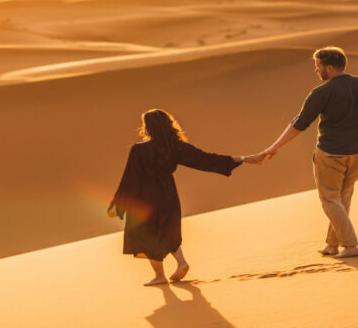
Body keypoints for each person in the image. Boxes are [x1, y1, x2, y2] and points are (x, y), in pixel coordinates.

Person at [107, 109, 264, 286]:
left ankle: (160, 276)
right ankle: (182, 262)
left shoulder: (139, 150)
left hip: (146, 196)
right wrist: (243, 158)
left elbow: (130, 178)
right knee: (167, 230)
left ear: (148, 127)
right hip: (168, 193)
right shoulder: (176, 147)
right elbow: (205, 159)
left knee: (146, 235)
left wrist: (119, 203)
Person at [262, 46, 358, 258]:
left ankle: (350, 245)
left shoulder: (321, 93)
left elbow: (300, 123)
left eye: (318, 67)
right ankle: (333, 245)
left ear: (330, 68)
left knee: (330, 199)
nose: (316, 71)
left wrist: (275, 146)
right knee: (342, 198)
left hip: (331, 153)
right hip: (356, 154)